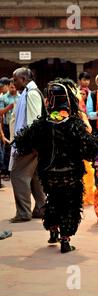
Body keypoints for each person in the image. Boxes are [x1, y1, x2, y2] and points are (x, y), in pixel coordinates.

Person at [13, 78, 98, 252]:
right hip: (70, 173)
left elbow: (22, 142)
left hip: (48, 173)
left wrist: (39, 147)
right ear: (67, 101)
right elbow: (90, 149)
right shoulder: (74, 124)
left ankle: (53, 230)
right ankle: (65, 240)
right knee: (70, 204)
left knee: (53, 200)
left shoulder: (42, 124)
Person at [9, 67, 46, 223]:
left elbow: (34, 121)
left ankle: (23, 213)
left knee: (17, 175)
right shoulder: (27, 93)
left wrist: (31, 144)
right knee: (34, 177)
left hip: (28, 144)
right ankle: (41, 208)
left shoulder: (31, 94)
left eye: (15, 79)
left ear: (23, 80)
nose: (13, 82)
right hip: (28, 143)